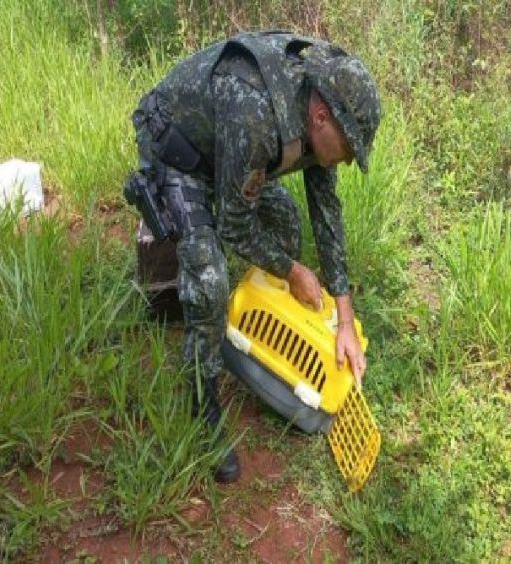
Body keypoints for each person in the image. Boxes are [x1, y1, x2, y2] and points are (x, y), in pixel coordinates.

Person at [124, 30, 381, 482]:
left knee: (285, 222)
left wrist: (344, 319)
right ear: (321, 117)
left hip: (228, 152)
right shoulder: (257, 114)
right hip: (179, 151)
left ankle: (256, 333)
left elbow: (326, 213)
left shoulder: (312, 113)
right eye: (348, 147)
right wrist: (293, 269)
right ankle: (202, 408)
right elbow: (235, 225)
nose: (344, 161)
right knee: (209, 282)